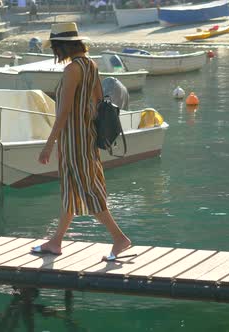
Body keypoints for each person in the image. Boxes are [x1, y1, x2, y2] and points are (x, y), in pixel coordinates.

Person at [31, 22, 132, 261]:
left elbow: (63, 112)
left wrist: (48, 145)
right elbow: (98, 101)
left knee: (88, 189)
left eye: (55, 47)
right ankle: (56, 241)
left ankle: (119, 238)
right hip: (85, 136)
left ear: (63, 46)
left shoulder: (71, 70)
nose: (54, 52)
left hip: (73, 139)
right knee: (71, 188)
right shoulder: (90, 65)